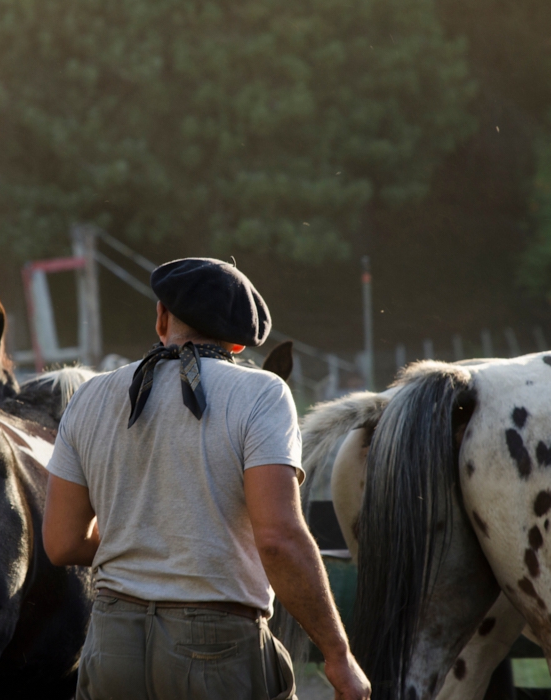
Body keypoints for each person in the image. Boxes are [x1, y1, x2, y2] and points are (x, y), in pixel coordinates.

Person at [42, 257, 370, 700]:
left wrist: (149, 538)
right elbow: (276, 539)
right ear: (238, 344)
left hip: (111, 645)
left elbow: (61, 543)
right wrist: (337, 653)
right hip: (216, 649)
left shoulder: (91, 396)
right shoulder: (262, 395)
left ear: (161, 317)